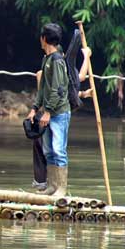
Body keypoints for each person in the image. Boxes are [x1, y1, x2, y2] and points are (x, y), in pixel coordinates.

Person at [31, 45, 93, 191]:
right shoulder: (46, 73)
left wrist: (83, 94)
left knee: (52, 151)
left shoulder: (55, 72)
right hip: (46, 116)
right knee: (48, 151)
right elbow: (67, 87)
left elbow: (64, 91)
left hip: (49, 115)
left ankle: (53, 186)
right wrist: (87, 57)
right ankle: (49, 185)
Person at [26, 23, 72, 197]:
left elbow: (58, 89)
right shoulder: (46, 59)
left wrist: (48, 112)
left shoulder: (58, 61)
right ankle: (52, 186)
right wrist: (34, 108)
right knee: (48, 150)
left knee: (59, 149)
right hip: (48, 113)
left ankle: (61, 188)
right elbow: (43, 88)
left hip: (58, 113)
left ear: (44, 39)